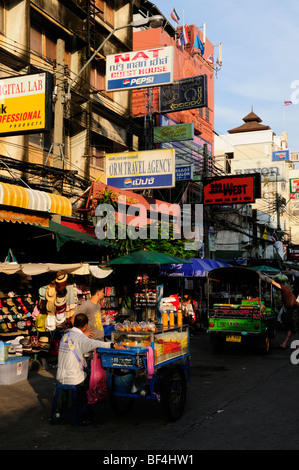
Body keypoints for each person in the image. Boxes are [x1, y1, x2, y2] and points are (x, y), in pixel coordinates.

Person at [56, 313, 123, 423]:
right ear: (86, 326)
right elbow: (95, 343)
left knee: (86, 375)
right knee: (92, 380)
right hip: (73, 377)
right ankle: (82, 413)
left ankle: (70, 408)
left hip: (60, 375)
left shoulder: (65, 335)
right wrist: (113, 345)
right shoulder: (80, 338)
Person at [271, 276, 299, 349]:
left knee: (292, 326)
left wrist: (267, 278)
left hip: (294, 309)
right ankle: (284, 343)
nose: (275, 288)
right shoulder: (285, 291)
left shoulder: (284, 288)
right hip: (292, 309)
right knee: (290, 327)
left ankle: (284, 343)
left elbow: (274, 283)